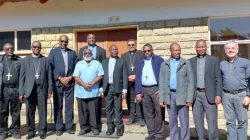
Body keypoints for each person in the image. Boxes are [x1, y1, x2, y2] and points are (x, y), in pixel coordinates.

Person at [159, 43, 194, 140]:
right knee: (172, 120)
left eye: (179, 50)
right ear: (170, 51)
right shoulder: (164, 64)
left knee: (184, 121)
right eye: (175, 50)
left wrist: (189, 98)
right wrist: (162, 98)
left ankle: (185, 138)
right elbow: (161, 82)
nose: (178, 52)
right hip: (170, 96)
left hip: (182, 96)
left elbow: (191, 81)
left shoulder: (186, 63)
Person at [19, 41, 52, 139]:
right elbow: (22, 78)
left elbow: (49, 76)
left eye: (38, 47)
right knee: (30, 112)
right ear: (31, 48)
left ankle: (42, 131)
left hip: (41, 90)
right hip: (29, 90)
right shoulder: (25, 60)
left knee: (43, 112)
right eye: (35, 46)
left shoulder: (45, 60)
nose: (37, 48)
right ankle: (31, 131)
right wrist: (21, 92)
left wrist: (50, 90)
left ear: (40, 48)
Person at [189, 40, 222, 140]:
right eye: (199, 47)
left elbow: (218, 79)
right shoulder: (191, 61)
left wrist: (218, 95)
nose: (201, 48)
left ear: (206, 47)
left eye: (203, 46)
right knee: (198, 120)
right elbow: (189, 80)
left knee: (212, 121)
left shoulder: (214, 60)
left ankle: (213, 138)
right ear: (196, 48)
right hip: (196, 95)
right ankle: (201, 138)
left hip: (210, 94)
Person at [220, 40, 250, 140]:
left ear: (237, 50)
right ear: (225, 50)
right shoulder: (222, 64)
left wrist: (248, 95)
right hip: (226, 96)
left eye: (233, 48)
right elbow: (220, 80)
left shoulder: (245, 62)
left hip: (241, 95)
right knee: (230, 122)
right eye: (228, 48)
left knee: (242, 121)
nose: (230, 50)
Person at [48, 35, 77, 136]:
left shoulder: (72, 53)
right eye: (62, 41)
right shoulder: (53, 52)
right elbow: (50, 68)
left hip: (69, 83)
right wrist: (60, 78)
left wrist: (69, 78)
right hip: (58, 83)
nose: (64, 43)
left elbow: (77, 68)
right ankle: (59, 128)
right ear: (59, 42)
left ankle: (69, 127)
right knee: (58, 105)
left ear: (68, 42)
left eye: (66, 41)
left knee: (69, 105)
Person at [135, 43, 164, 140]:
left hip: (156, 89)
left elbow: (163, 76)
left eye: (148, 50)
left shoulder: (159, 60)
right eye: (145, 51)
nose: (147, 52)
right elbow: (138, 77)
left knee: (159, 112)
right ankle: (151, 134)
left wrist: (161, 89)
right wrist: (138, 92)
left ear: (152, 50)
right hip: (144, 90)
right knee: (148, 113)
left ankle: (159, 135)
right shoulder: (141, 62)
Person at [78, 33, 106, 131]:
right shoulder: (81, 50)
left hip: (95, 85)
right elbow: (77, 72)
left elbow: (103, 69)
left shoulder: (102, 51)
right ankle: (85, 127)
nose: (91, 39)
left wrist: (100, 86)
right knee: (84, 109)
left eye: (93, 38)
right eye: (89, 38)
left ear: (95, 39)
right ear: (87, 39)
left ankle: (95, 126)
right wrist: (83, 83)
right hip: (82, 87)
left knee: (95, 108)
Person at [73, 48, 104, 136]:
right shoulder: (79, 64)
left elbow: (100, 75)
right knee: (82, 112)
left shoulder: (97, 63)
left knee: (94, 112)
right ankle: (84, 128)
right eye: (86, 53)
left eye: (89, 53)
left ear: (92, 54)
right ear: (83, 54)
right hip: (81, 92)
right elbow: (76, 76)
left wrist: (92, 83)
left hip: (93, 92)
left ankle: (95, 128)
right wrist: (84, 84)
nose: (87, 54)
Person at [100, 45, 128, 136]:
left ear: (117, 51)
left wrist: (124, 90)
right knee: (108, 109)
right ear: (109, 51)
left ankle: (119, 128)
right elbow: (101, 76)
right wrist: (101, 88)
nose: (114, 51)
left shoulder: (122, 61)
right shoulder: (104, 62)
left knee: (118, 109)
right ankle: (110, 128)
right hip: (107, 88)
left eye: (116, 49)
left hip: (118, 88)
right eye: (112, 49)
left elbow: (124, 76)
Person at [121, 39, 145, 126]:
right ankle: (131, 117)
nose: (131, 46)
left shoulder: (141, 54)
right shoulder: (123, 56)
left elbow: (143, 66)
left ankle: (140, 117)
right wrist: (127, 77)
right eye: (129, 45)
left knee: (139, 100)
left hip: (138, 81)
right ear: (127, 46)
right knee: (130, 100)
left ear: (135, 45)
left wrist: (136, 76)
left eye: (133, 44)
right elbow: (123, 68)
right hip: (129, 82)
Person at [0, 43, 21, 140]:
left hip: (15, 89)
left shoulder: (19, 60)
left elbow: (22, 76)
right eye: (7, 48)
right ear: (4, 50)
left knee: (15, 112)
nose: (10, 50)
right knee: (3, 112)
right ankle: (3, 131)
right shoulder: (0, 60)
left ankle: (15, 131)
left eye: (11, 48)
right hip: (3, 90)